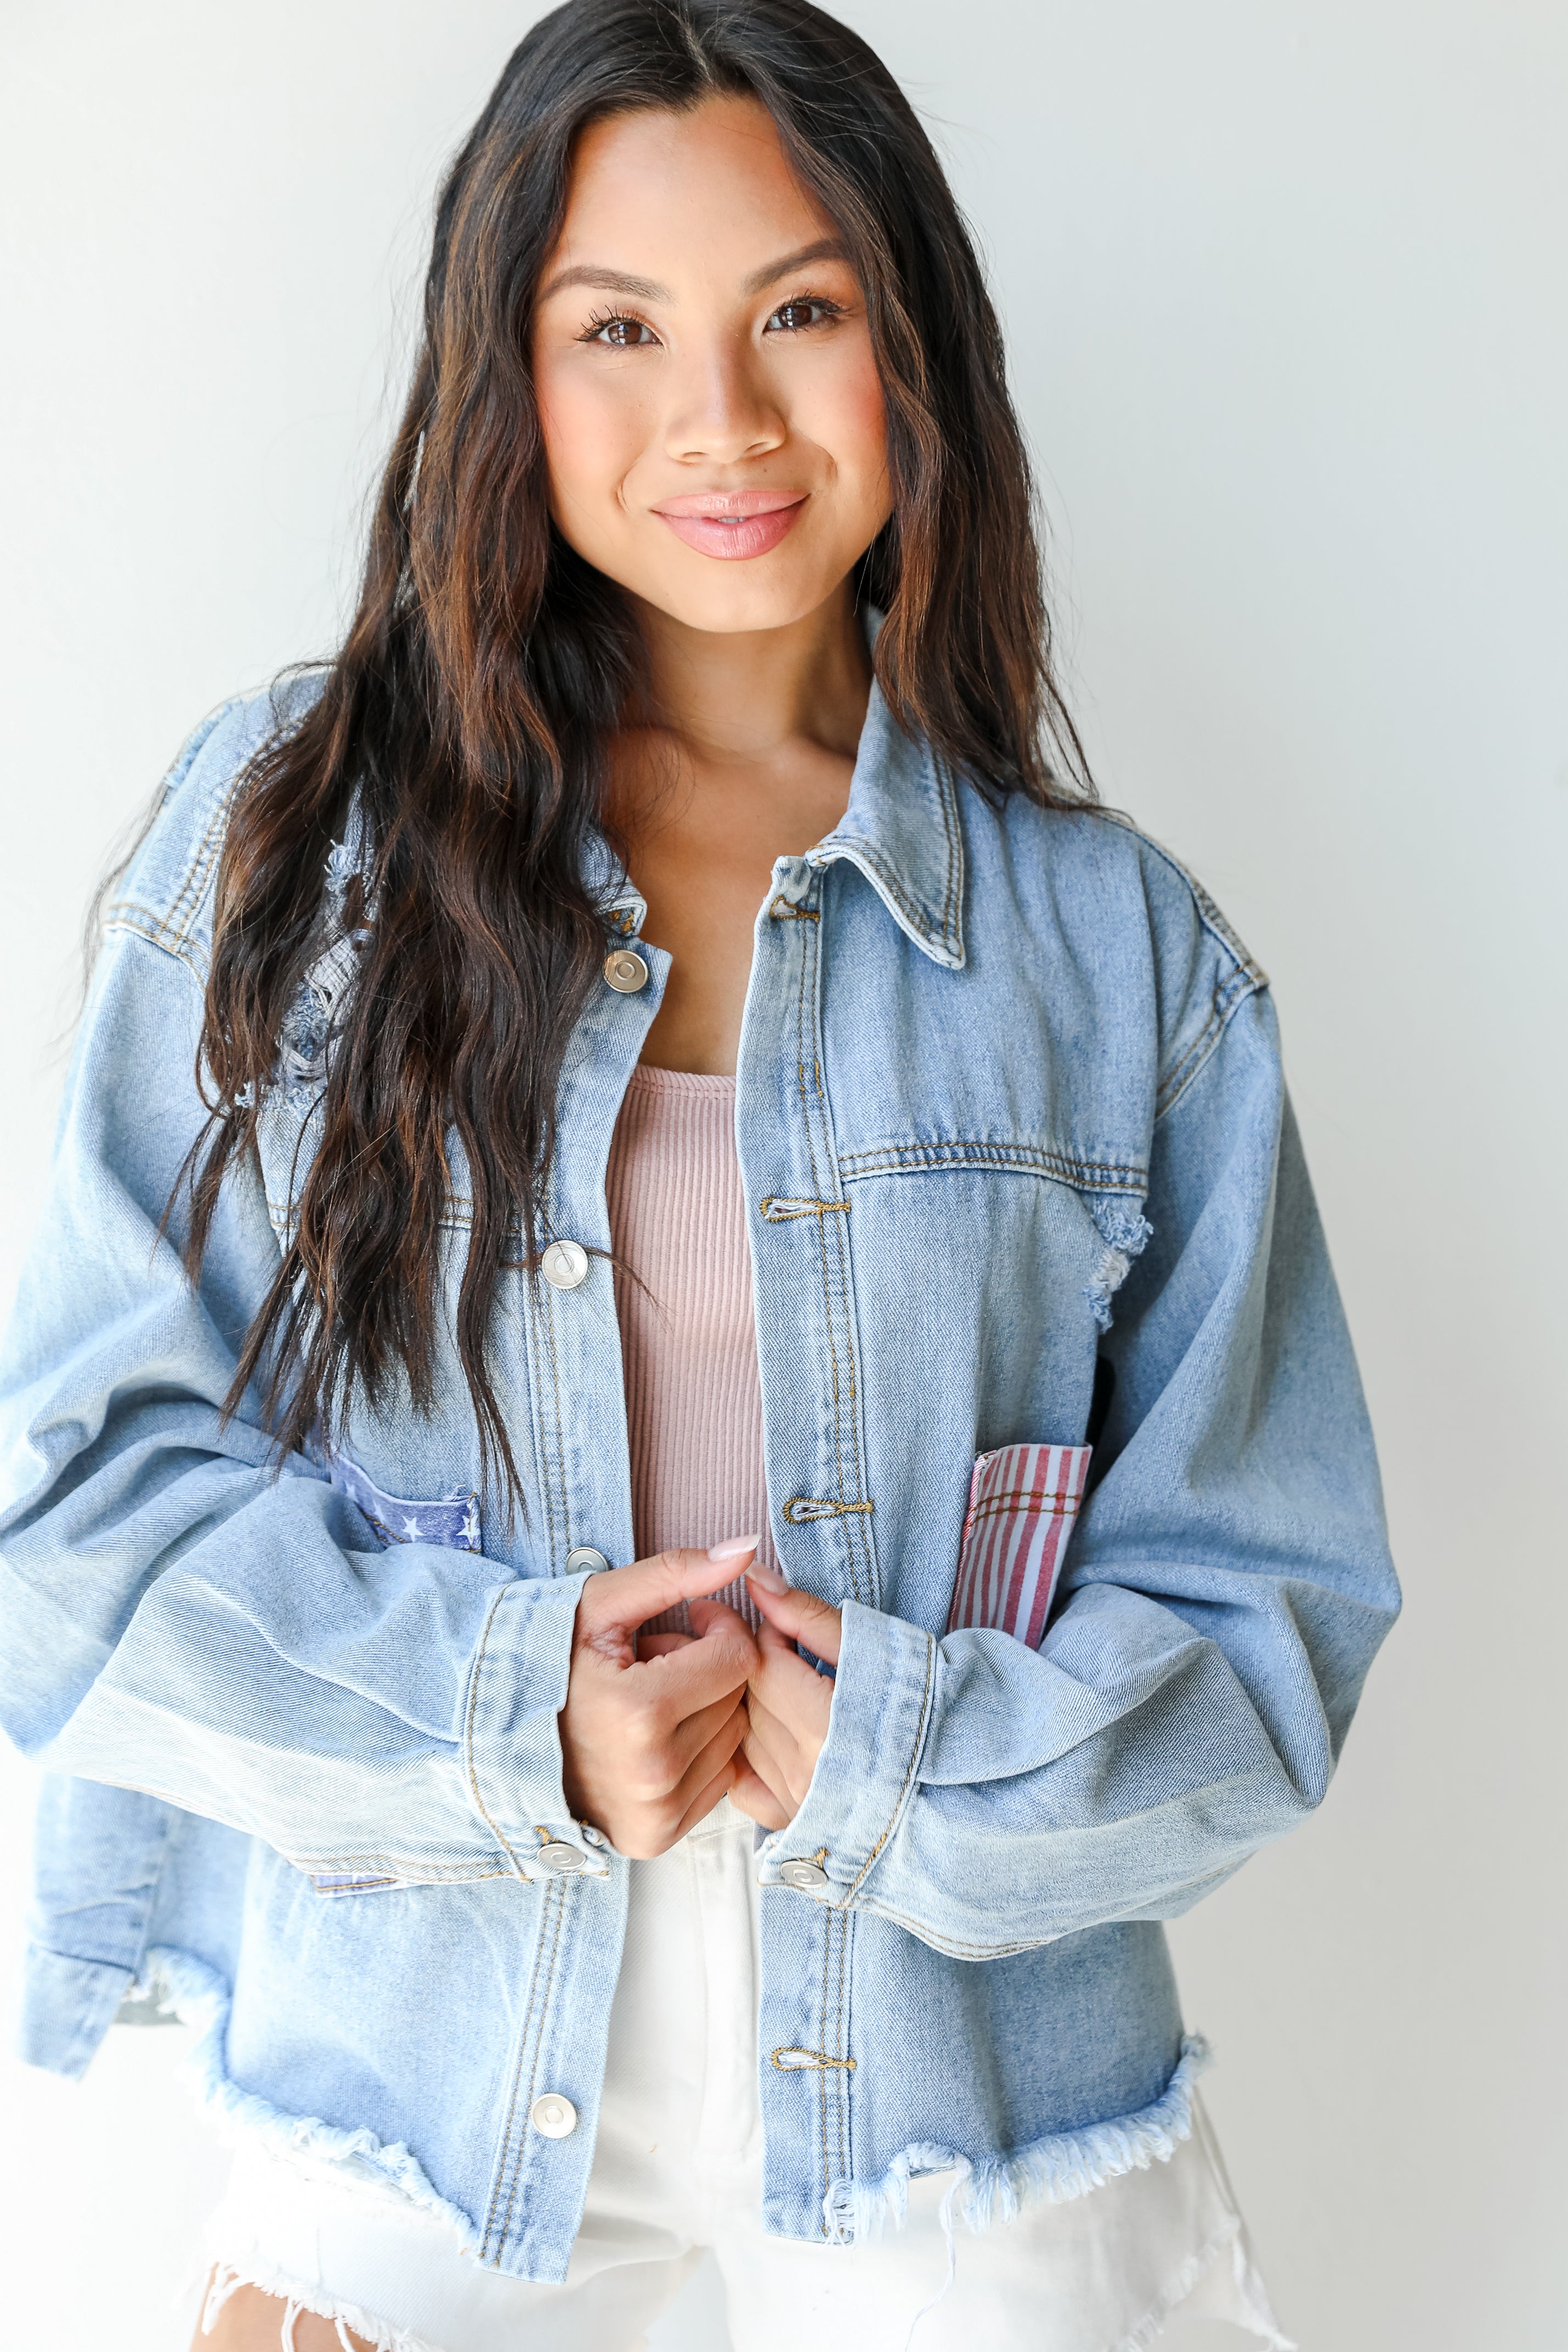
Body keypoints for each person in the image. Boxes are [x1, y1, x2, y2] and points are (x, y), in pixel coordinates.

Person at [0, 3, 1400, 2347]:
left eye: (800, 313)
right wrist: (502, 1709)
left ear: (908, 347)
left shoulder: (1111, 950)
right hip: (426, 2066)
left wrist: (914, 1760)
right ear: (502, 379)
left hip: (968, 2088)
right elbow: (70, 1512)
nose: (723, 421)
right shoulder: (295, 854)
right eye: (616, 329)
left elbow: (1272, 1608)